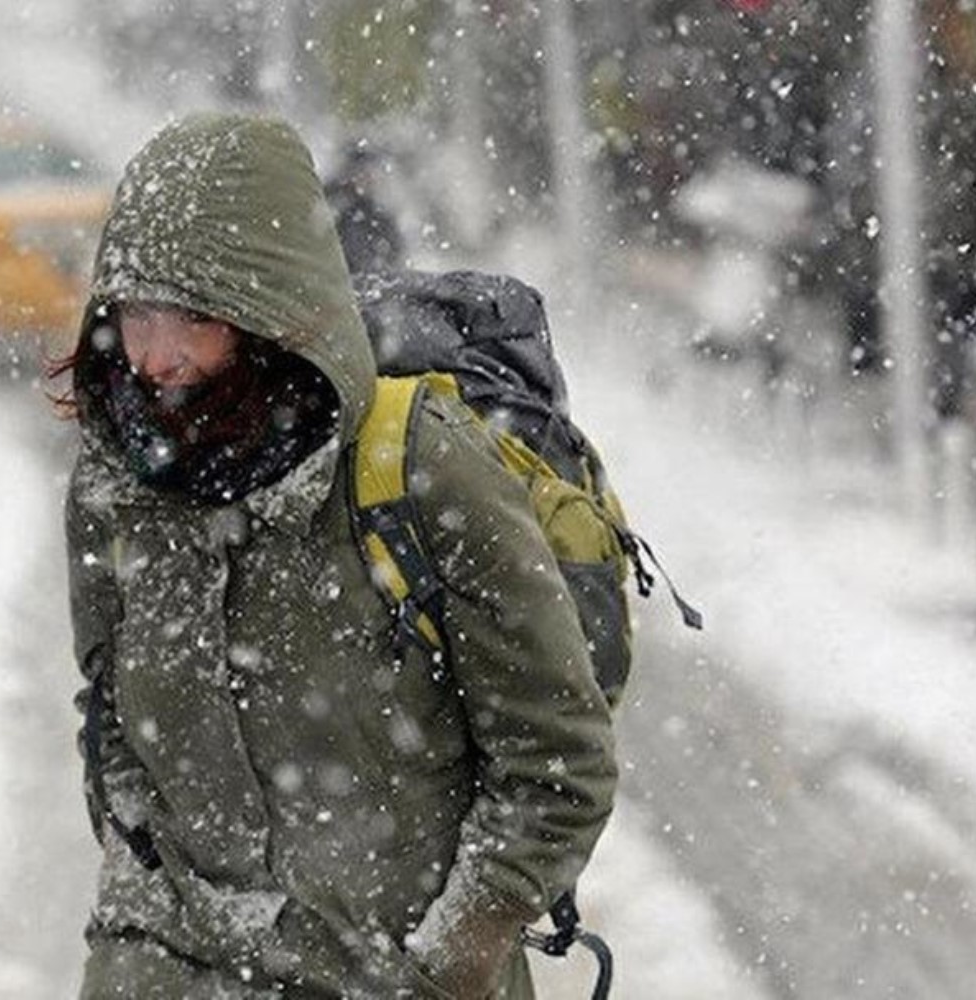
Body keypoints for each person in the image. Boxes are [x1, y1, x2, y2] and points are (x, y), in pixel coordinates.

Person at [59, 112, 616, 998]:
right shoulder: (121, 482)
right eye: (134, 315)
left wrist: (459, 947)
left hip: (396, 976)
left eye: (192, 317)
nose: (154, 357)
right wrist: (137, 914)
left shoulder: (418, 466)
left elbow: (558, 761)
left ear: (266, 313)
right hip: (178, 969)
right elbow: (113, 719)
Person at [324, 142, 403, 274]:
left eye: (372, 173)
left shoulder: (379, 215)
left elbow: (394, 252)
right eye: (363, 172)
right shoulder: (335, 202)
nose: (369, 178)